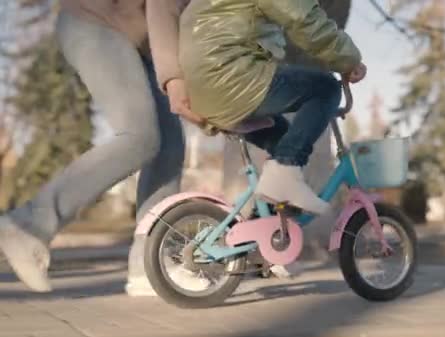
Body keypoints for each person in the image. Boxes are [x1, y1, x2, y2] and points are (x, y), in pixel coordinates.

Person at [0, 0, 194, 294]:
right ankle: (29, 223)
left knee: (168, 147)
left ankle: (150, 263)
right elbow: (162, 6)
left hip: (139, 42)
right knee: (139, 137)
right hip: (95, 22)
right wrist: (175, 78)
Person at [178, 0, 367, 214]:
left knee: (284, 141)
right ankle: (285, 171)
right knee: (326, 88)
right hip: (230, 76)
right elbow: (303, 19)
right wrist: (348, 59)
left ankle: (266, 217)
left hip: (207, 88)